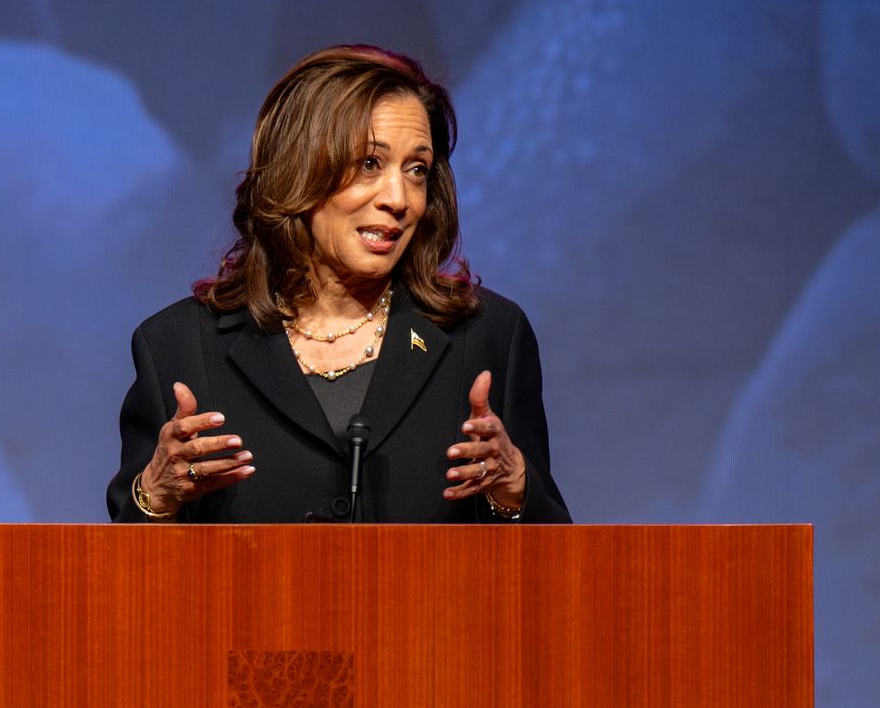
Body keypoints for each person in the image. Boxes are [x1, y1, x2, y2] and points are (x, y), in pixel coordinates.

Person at [109, 45, 571, 524]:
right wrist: (156, 496)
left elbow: (554, 570)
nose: (399, 199)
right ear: (298, 170)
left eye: (417, 170)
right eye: (370, 163)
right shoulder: (179, 348)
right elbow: (121, 579)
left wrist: (513, 488)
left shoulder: (487, 337)